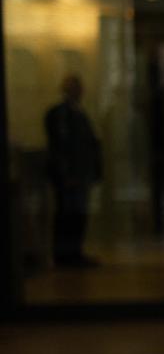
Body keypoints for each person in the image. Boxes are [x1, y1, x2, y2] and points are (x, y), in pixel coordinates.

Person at [45, 74, 102, 267]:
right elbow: (61, 147)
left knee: (77, 215)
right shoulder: (62, 115)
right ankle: (66, 255)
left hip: (79, 174)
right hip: (70, 176)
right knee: (68, 215)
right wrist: (66, 174)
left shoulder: (77, 114)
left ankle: (73, 253)